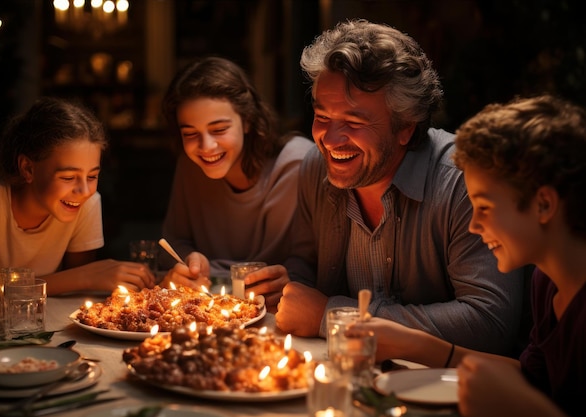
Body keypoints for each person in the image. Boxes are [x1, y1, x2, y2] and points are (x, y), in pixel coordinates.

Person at [257, 19, 524, 355]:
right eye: (322, 117)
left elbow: (490, 322)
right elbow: (305, 261)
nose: (330, 138)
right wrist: (288, 286)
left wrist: (334, 317)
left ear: (405, 128)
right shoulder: (316, 167)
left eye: (354, 122)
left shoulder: (463, 181)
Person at [352, 95, 586, 417]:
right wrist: (415, 344)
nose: (474, 226)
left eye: (485, 208)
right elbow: (530, 379)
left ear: (544, 204)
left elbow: (526, 399)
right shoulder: (548, 283)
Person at [0, 97, 156, 308]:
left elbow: (79, 297)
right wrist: (82, 277)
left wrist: (83, 278)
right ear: (28, 168)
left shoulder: (87, 203)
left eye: (92, 177)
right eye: (68, 178)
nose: (84, 191)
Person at [157, 56, 314, 310]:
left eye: (219, 129)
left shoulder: (297, 164)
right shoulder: (191, 164)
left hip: (280, 311)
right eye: (190, 134)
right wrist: (187, 263)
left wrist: (293, 280)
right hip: (206, 310)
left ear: (248, 120)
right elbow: (172, 242)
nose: (206, 147)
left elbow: (311, 263)